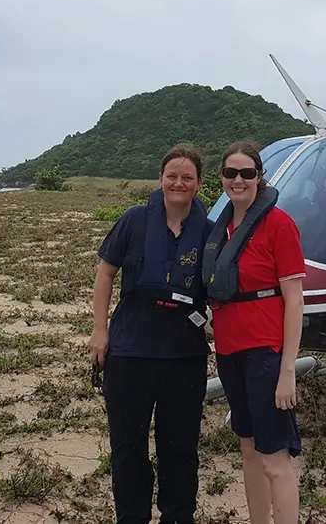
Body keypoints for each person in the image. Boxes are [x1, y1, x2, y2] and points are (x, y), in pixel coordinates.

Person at [89, 143, 214, 524]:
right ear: (160, 179)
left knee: (180, 448)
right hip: (130, 352)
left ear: (199, 184)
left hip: (184, 357)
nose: (179, 183)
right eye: (172, 176)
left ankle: (178, 517)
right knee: (128, 447)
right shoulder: (134, 220)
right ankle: (132, 517)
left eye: (187, 177)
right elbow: (105, 274)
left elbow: (221, 293)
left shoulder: (209, 233)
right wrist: (99, 331)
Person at [202, 140, 305, 524]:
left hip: (265, 351)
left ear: (259, 178)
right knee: (248, 448)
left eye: (247, 173)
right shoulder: (221, 229)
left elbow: (294, 301)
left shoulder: (279, 224)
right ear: (222, 179)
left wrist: (287, 370)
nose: (238, 180)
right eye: (231, 173)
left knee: (275, 457)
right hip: (229, 352)